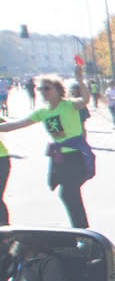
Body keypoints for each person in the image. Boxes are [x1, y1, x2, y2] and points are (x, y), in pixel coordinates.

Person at [0, 74, 92, 229]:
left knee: (68, 193)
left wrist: (81, 80)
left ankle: (82, 230)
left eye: (47, 88)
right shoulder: (42, 112)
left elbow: (85, 100)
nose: (43, 91)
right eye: (40, 88)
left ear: (57, 89)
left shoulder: (69, 105)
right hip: (59, 158)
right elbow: (16, 125)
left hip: (76, 155)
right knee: (68, 194)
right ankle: (80, 229)